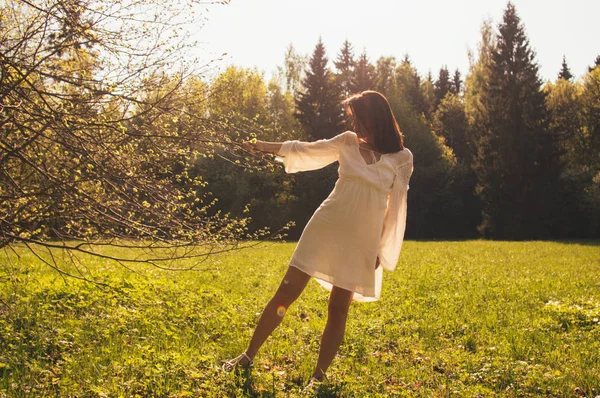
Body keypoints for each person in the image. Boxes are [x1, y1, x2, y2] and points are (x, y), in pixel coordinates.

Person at [223, 90, 414, 390]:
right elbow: (306, 149)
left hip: (361, 241)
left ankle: (317, 378)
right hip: (325, 228)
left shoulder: (402, 159)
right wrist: (262, 146)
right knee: (285, 293)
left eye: (361, 121)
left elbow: (396, 208)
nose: (357, 128)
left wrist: (381, 249)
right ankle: (247, 355)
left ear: (377, 118)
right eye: (354, 121)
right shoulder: (348, 142)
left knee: (338, 309)